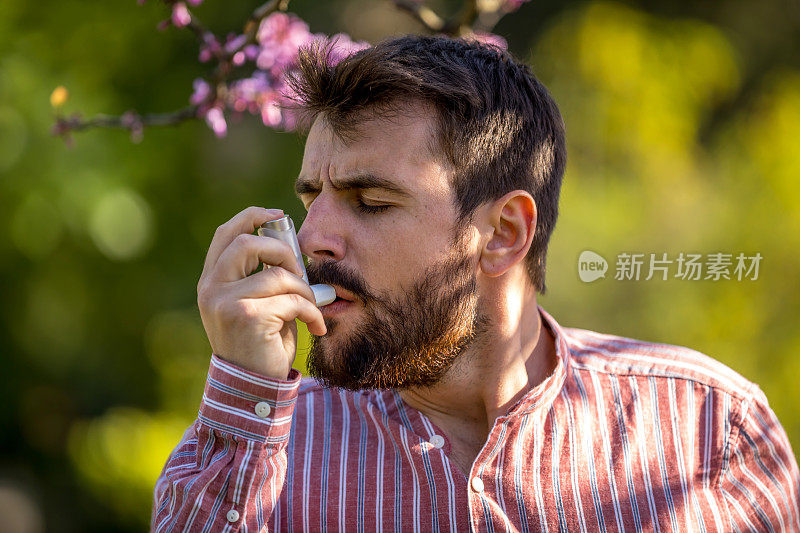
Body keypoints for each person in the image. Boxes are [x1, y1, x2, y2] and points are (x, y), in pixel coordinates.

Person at [151, 35, 800, 532]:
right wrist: (245, 392)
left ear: (504, 232)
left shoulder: (712, 429)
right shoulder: (259, 448)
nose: (313, 235)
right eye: (312, 195)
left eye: (370, 200)